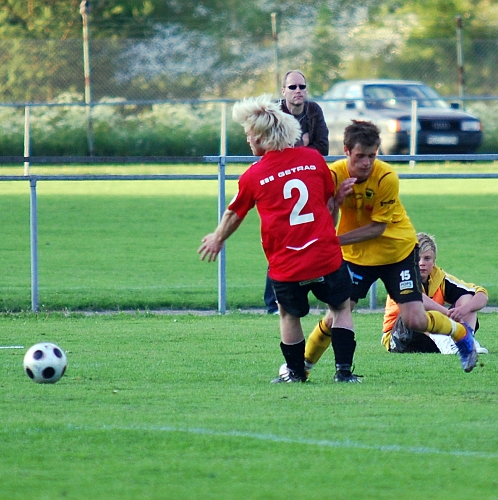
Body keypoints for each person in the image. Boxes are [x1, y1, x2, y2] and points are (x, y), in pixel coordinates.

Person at [198, 94, 361, 383]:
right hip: (324, 253)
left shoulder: (254, 175)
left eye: (249, 135)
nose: (248, 141)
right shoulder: (313, 159)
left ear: (261, 138)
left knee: (288, 314)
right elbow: (328, 204)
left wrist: (217, 238)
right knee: (340, 307)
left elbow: (235, 213)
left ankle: (296, 375)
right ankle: (344, 373)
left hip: (288, 262)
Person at [303, 120, 479, 373]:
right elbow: (326, 225)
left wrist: (334, 241)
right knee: (336, 317)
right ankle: (302, 368)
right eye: (360, 156)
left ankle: (461, 333)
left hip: (397, 253)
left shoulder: (385, 176)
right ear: (346, 150)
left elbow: (377, 228)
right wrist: (335, 200)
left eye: (372, 156)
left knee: (414, 320)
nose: (366, 162)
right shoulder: (332, 175)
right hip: (357, 257)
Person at [263, 69, 330, 314]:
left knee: (311, 239)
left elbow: (321, 147)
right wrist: (302, 146)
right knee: (280, 241)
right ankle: (273, 304)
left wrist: (296, 148)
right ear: (283, 91)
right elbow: (269, 148)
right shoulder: (275, 113)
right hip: (279, 182)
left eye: (301, 86)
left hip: (307, 182)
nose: (298, 91)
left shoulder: (314, 111)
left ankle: (315, 297)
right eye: (292, 87)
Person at [382, 232, 490, 355]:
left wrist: (464, 309)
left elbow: (481, 294)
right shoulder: (401, 276)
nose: (422, 263)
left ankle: (466, 340)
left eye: (427, 258)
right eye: (417, 258)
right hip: (401, 338)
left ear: (434, 261)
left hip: (430, 335)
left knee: (467, 297)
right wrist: (446, 314)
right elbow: (417, 298)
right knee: (416, 307)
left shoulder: (440, 278)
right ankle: (446, 342)